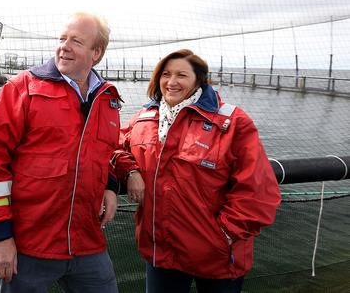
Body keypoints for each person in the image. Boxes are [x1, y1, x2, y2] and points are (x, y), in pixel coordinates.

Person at [0, 12, 123, 293]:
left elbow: (107, 153)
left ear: (96, 53)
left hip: (88, 244)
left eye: (76, 41)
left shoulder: (108, 99)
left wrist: (111, 185)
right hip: (28, 247)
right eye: (62, 38)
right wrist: (0, 236)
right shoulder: (22, 89)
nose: (64, 46)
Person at [111, 49, 281, 293]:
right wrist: (130, 171)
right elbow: (113, 148)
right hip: (162, 252)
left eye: (181, 75)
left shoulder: (232, 123)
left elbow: (258, 191)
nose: (171, 82)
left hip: (217, 256)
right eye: (166, 74)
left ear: (199, 80)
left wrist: (223, 236)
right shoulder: (143, 120)